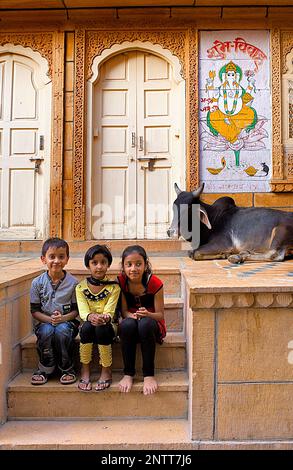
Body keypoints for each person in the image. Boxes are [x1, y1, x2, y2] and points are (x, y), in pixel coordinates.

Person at [117, 245, 166, 395]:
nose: (133, 269)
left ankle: (149, 374)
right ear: (123, 267)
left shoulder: (155, 283)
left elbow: (160, 315)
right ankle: (128, 373)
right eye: (129, 265)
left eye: (138, 264)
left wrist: (148, 314)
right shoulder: (121, 282)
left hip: (152, 326)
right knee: (126, 325)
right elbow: (124, 311)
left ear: (145, 265)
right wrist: (130, 316)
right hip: (132, 325)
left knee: (144, 324)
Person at [30, 237, 79, 385]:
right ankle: (46, 367)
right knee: (46, 331)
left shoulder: (73, 283)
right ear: (43, 259)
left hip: (67, 323)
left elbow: (76, 311)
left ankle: (67, 367)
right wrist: (50, 320)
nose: (56, 261)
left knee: (62, 331)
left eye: (61, 257)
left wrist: (62, 319)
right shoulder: (37, 283)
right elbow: (34, 311)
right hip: (44, 322)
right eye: (52, 257)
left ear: (67, 259)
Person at [76, 245, 120, 391]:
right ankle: (85, 369)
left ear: (108, 264)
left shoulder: (114, 287)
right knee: (87, 326)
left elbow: (110, 311)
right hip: (88, 325)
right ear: (88, 265)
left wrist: (103, 318)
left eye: (103, 262)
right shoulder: (81, 287)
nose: (99, 266)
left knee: (101, 328)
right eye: (94, 263)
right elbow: (83, 311)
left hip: (107, 326)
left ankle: (106, 369)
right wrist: (90, 317)